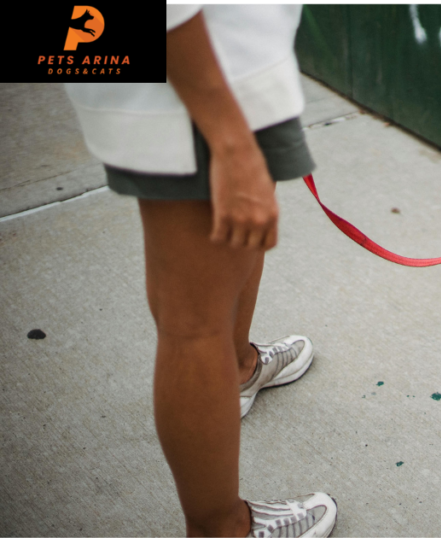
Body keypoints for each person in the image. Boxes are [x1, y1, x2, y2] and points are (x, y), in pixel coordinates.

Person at [65, 5, 336, 537]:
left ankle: (237, 370)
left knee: (237, 241)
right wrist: (229, 138)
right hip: (195, 76)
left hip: (204, 64)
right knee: (193, 322)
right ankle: (220, 528)